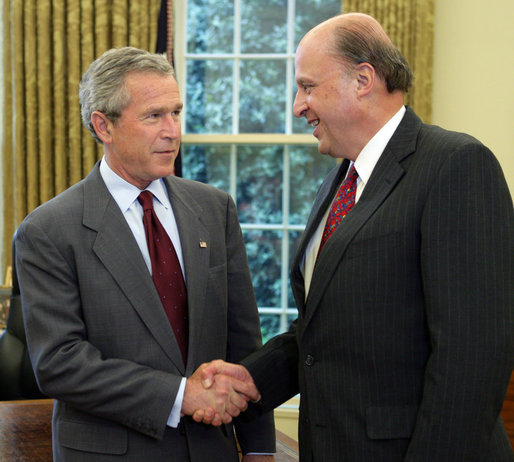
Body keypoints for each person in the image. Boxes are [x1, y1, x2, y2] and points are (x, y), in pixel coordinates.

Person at [196, 12, 514, 461]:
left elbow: (473, 355)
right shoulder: (340, 181)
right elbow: (324, 331)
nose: (297, 105)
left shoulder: (456, 165)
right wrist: (252, 381)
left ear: (363, 79)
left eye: (307, 86)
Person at [14, 47, 275, 461]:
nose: (172, 131)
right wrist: (179, 395)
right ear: (104, 125)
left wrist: (261, 448)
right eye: (154, 116)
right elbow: (59, 363)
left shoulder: (214, 208)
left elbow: (243, 340)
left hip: (212, 450)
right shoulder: (48, 231)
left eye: (176, 112)